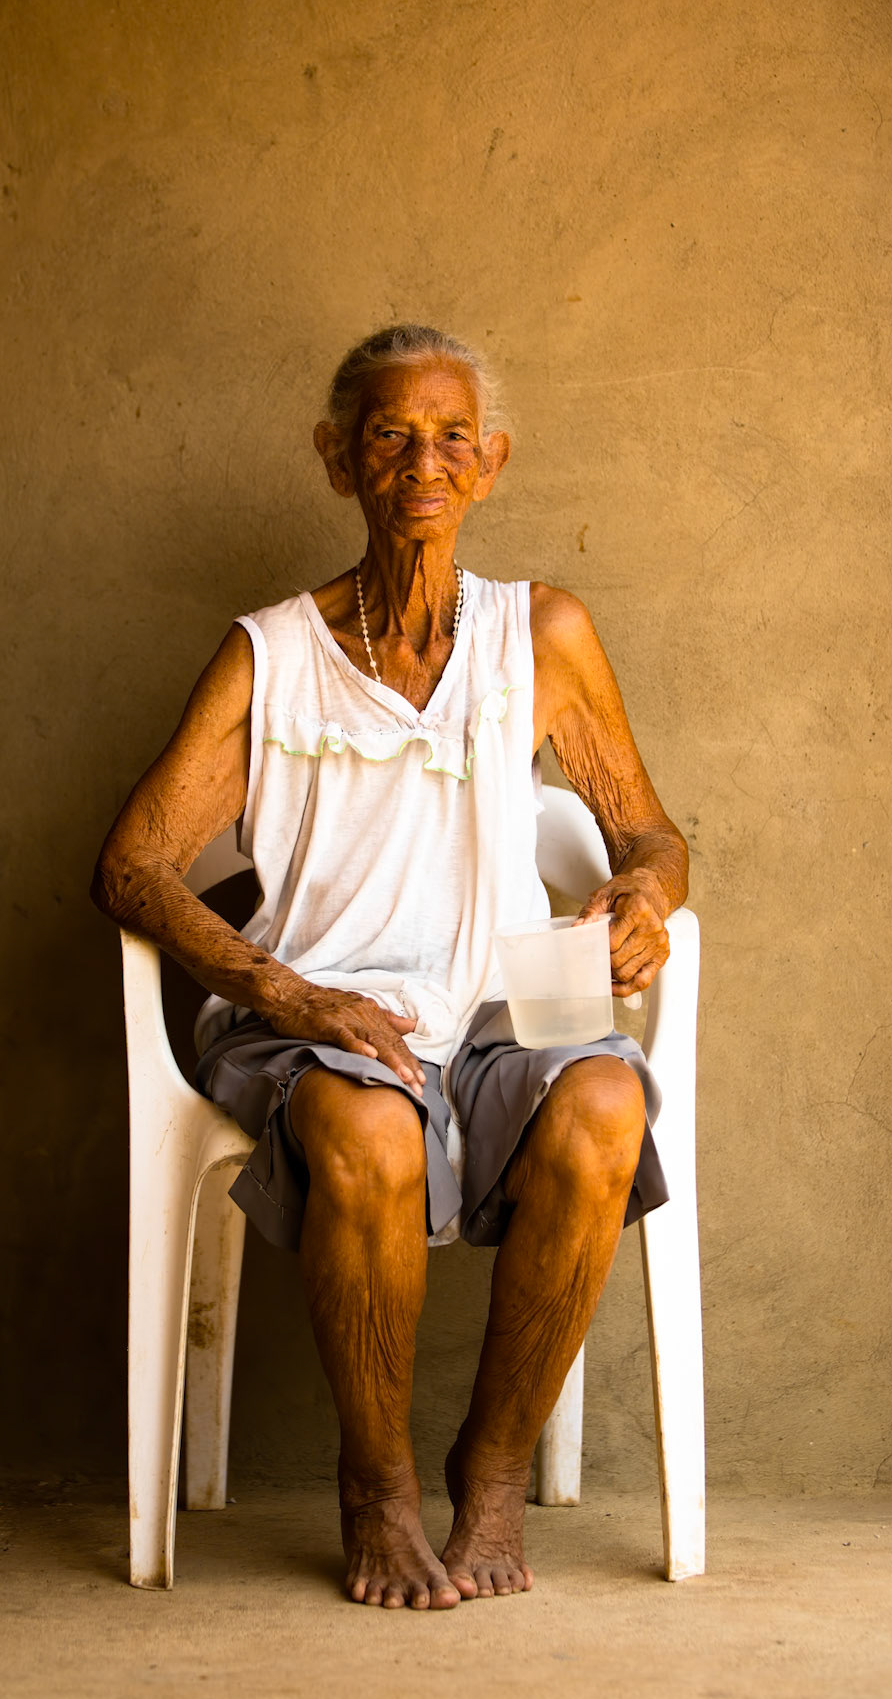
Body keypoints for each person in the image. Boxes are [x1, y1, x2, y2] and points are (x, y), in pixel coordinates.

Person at [92, 324, 688, 1611]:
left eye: (453, 436)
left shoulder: (545, 633)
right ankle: (376, 1490)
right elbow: (132, 864)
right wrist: (288, 993)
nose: (425, 460)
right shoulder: (272, 654)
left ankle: (490, 1475)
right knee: (369, 1129)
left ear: (492, 464)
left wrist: (643, 887)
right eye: (389, 435)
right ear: (337, 461)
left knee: (604, 1104)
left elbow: (646, 828)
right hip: (314, 1016)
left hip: (495, 1016)